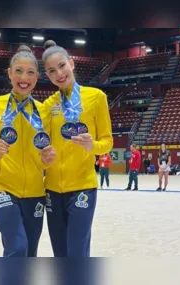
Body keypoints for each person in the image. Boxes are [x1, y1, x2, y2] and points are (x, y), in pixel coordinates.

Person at [0, 46, 57, 257]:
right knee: (18, 247)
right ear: (9, 73)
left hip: (36, 193)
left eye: (30, 72)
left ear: (37, 77)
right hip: (2, 188)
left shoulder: (43, 111)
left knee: (29, 252)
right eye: (18, 71)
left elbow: (42, 158)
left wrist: (47, 160)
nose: (24, 77)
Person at [41, 40, 113, 257]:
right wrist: (42, 155)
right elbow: (39, 144)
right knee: (60, 252)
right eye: (52, 71)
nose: (59, 74)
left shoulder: (96, 97)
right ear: (47, 75)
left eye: (62, 66)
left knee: (77, 250)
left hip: (83, 187)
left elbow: (107, 142)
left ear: (71, 63)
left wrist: (93, 146)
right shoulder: (48, 106)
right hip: (52, 189)